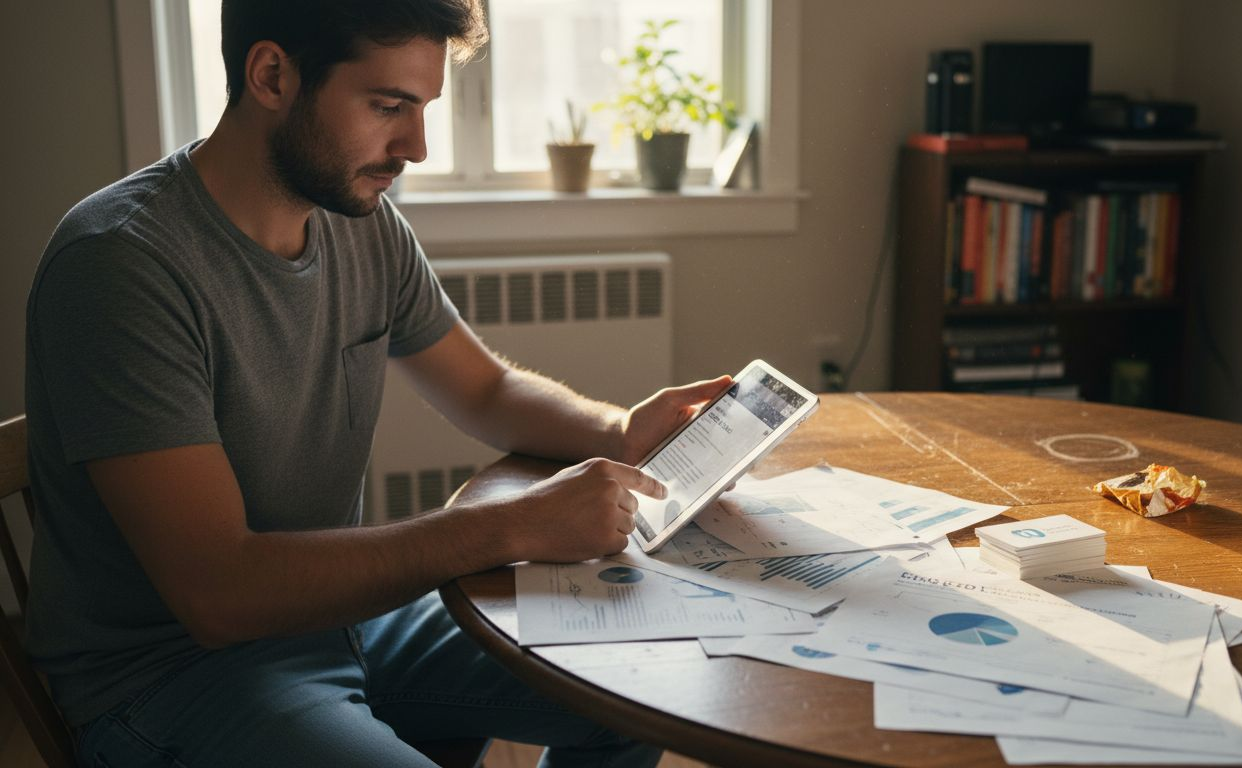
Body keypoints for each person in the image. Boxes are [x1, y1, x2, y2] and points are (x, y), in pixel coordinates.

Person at [23, 1, 730, 765]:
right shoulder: (119, 265)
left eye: (421, 109)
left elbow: (485, 391)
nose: (417, 147)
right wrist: (512, 525)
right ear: (271, 75)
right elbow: (220, 593)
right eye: (388, 106)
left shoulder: (358, 219)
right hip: (170, 679)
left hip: (344, 623)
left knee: (638, 693)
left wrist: (620, 430)